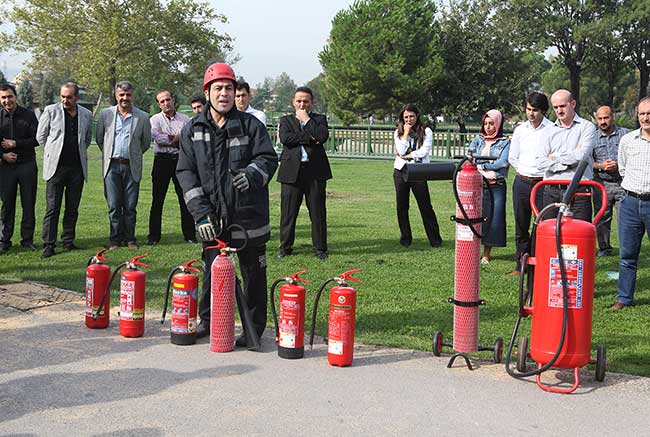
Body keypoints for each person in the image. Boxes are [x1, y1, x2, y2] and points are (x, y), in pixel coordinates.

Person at [177, 62, 277, 345]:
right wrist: (201, 214)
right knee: (212, 269)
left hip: (248, 216)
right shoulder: (192, 129)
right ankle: (208, 321)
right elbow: (186, 172)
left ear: (236, 92)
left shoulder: (250, 125)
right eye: (218, 88)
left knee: (253, 273)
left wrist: (252, 174)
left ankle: (253, 328)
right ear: (207, 92)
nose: (224, 94)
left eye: (229, 88)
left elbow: (269, 159)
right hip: (212, 217)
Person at [36, 82, 93, 258]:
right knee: (52, 208)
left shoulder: (86, 114)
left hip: (77, 168)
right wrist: (53, 153)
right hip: (56, 168)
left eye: (69, 97)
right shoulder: (51, 111)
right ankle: (49, 244)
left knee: (72, 207)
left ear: (77, 97)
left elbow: (87, 138)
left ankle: (68, 241)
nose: (65, 100)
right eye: (62, 96)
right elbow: (41, 136)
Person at [277, 86, 331, 260]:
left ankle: (320, 248)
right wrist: (308, 137)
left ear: (312, 103)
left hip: (315, 171)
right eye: (299, 101)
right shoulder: (285, 121)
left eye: (305, 101)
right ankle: (285, 247)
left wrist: (307, 120)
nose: (302, 104)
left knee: (317, 212)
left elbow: (322, 136)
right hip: (291, 172)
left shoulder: (319, 119)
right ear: (293, 102)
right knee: (288, 213)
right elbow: (286, 139)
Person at [96, 81, 151, 249]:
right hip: (111, 166)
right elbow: (100, 139)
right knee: (113, 206)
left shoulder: (142, 117)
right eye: (121, 95)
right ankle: (114, 240)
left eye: (128, 95)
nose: (125, 98)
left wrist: (132, 155)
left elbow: (146, 143)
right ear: (116, 95)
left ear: (132, 96)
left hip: (131, 166)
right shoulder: (106, 114)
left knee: (130, 206)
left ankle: (130, 239)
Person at [508, 92, 553, 274]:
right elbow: (513, 156)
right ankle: (521, 264)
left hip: (543, 184)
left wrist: (539, 172)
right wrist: (525, 170)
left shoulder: (551, 130)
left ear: (543, 111)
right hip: (521, 182)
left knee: (541, 225)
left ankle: (538, 264)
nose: (531, 113)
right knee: (521, 225)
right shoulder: (520, 130)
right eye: (528, 109)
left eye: (535, 110)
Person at [611, 97, 650, 310]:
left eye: (649, 113)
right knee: (627, 255)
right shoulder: (628, 140)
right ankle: (624, 299)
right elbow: (623, 169)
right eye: (642, 113)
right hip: (631, 202)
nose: (646, 117)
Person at [536, 89, 596, 222]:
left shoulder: (587, 127)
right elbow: (540, 162)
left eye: (562, 106)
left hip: (579, 189)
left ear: (573, 104)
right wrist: (569, 161)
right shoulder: (547, 131)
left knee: (578, 235)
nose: (559, 110)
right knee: (550, 234)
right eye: (555, 107)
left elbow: (582, 156)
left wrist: (554, 157)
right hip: (551, 190)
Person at [145, 90, 195, 245]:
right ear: (158, 104)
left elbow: (188, 139)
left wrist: (171, 138)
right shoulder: (154, 120)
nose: (166, 103)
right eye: (162, 101)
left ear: (173, 100)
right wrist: (178, 138)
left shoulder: (185, 119)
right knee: (157, 200)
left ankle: (190, 235)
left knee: (185, 199)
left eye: (168, 99)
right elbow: (159, 139)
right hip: (162, 161)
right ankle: (154, 237)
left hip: (180, 160)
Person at [392, 103, 442, 248]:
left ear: (417, 116)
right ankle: (405, 238)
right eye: (406, 117)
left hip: (419, 171)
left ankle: (435, 239)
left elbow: (424, 151)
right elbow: (400, 151)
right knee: (402, 206)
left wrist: (409, 155)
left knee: (425, 205)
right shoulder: (399, 132)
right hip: (401, 171)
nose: (409, 120)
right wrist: (406, 134)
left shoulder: (426, 131)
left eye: (412, 116)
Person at [0, 83, 39, 253]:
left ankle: (27, 239)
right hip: (5, 167)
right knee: (7, 204)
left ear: (16, 96)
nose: (7, 100)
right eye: (3, 97)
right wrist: (3, 155)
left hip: (27, 164)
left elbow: (37, 139)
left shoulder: (29, 115)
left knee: (28, 203)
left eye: (10, 96)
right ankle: (4, 240)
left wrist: (16, 144)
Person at [468, 109, 510, 264]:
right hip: (477, 185)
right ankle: (471, 250)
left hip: (495, 185)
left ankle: (486, 253)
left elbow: (503, 162)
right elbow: (470, 158)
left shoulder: (505, 142)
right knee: (473, 217)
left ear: (498, 124)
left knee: (494, 218)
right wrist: (490, 164)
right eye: (485, 123)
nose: (488, 127)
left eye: (491, 124)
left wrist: (483, 165)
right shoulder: (478, 140)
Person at [592, 105, 628, 257]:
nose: (603, 121)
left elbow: (633, 157)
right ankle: (604, 248)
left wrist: (619, 165)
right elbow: (587, 161)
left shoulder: (625, 135)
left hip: (623, 183)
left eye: (606, 118)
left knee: (625, 219)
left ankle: (627, 249)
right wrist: (601, 165)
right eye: (600, 119)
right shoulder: (592, 137)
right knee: (602, 217)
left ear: (612, 117)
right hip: (601, 184)